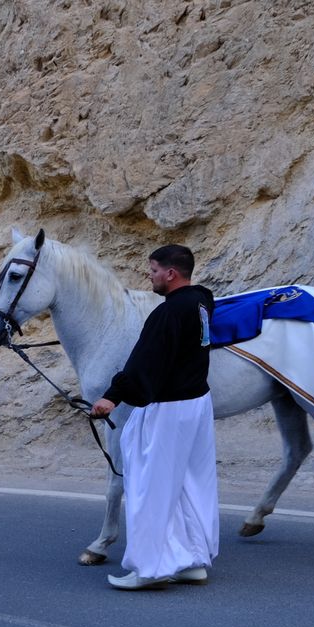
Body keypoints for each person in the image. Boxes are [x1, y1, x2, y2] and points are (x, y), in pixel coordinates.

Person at [89, 244, 219, 590]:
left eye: (153, 271)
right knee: (190, 485)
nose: (150, 277)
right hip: (198, 405)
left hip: (170, 408)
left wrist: (111, 398)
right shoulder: (203, 301)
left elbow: (143, 362)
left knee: (149, 486)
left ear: (171, 273)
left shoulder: (167, 314)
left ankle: (149, 568)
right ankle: (191, 559)